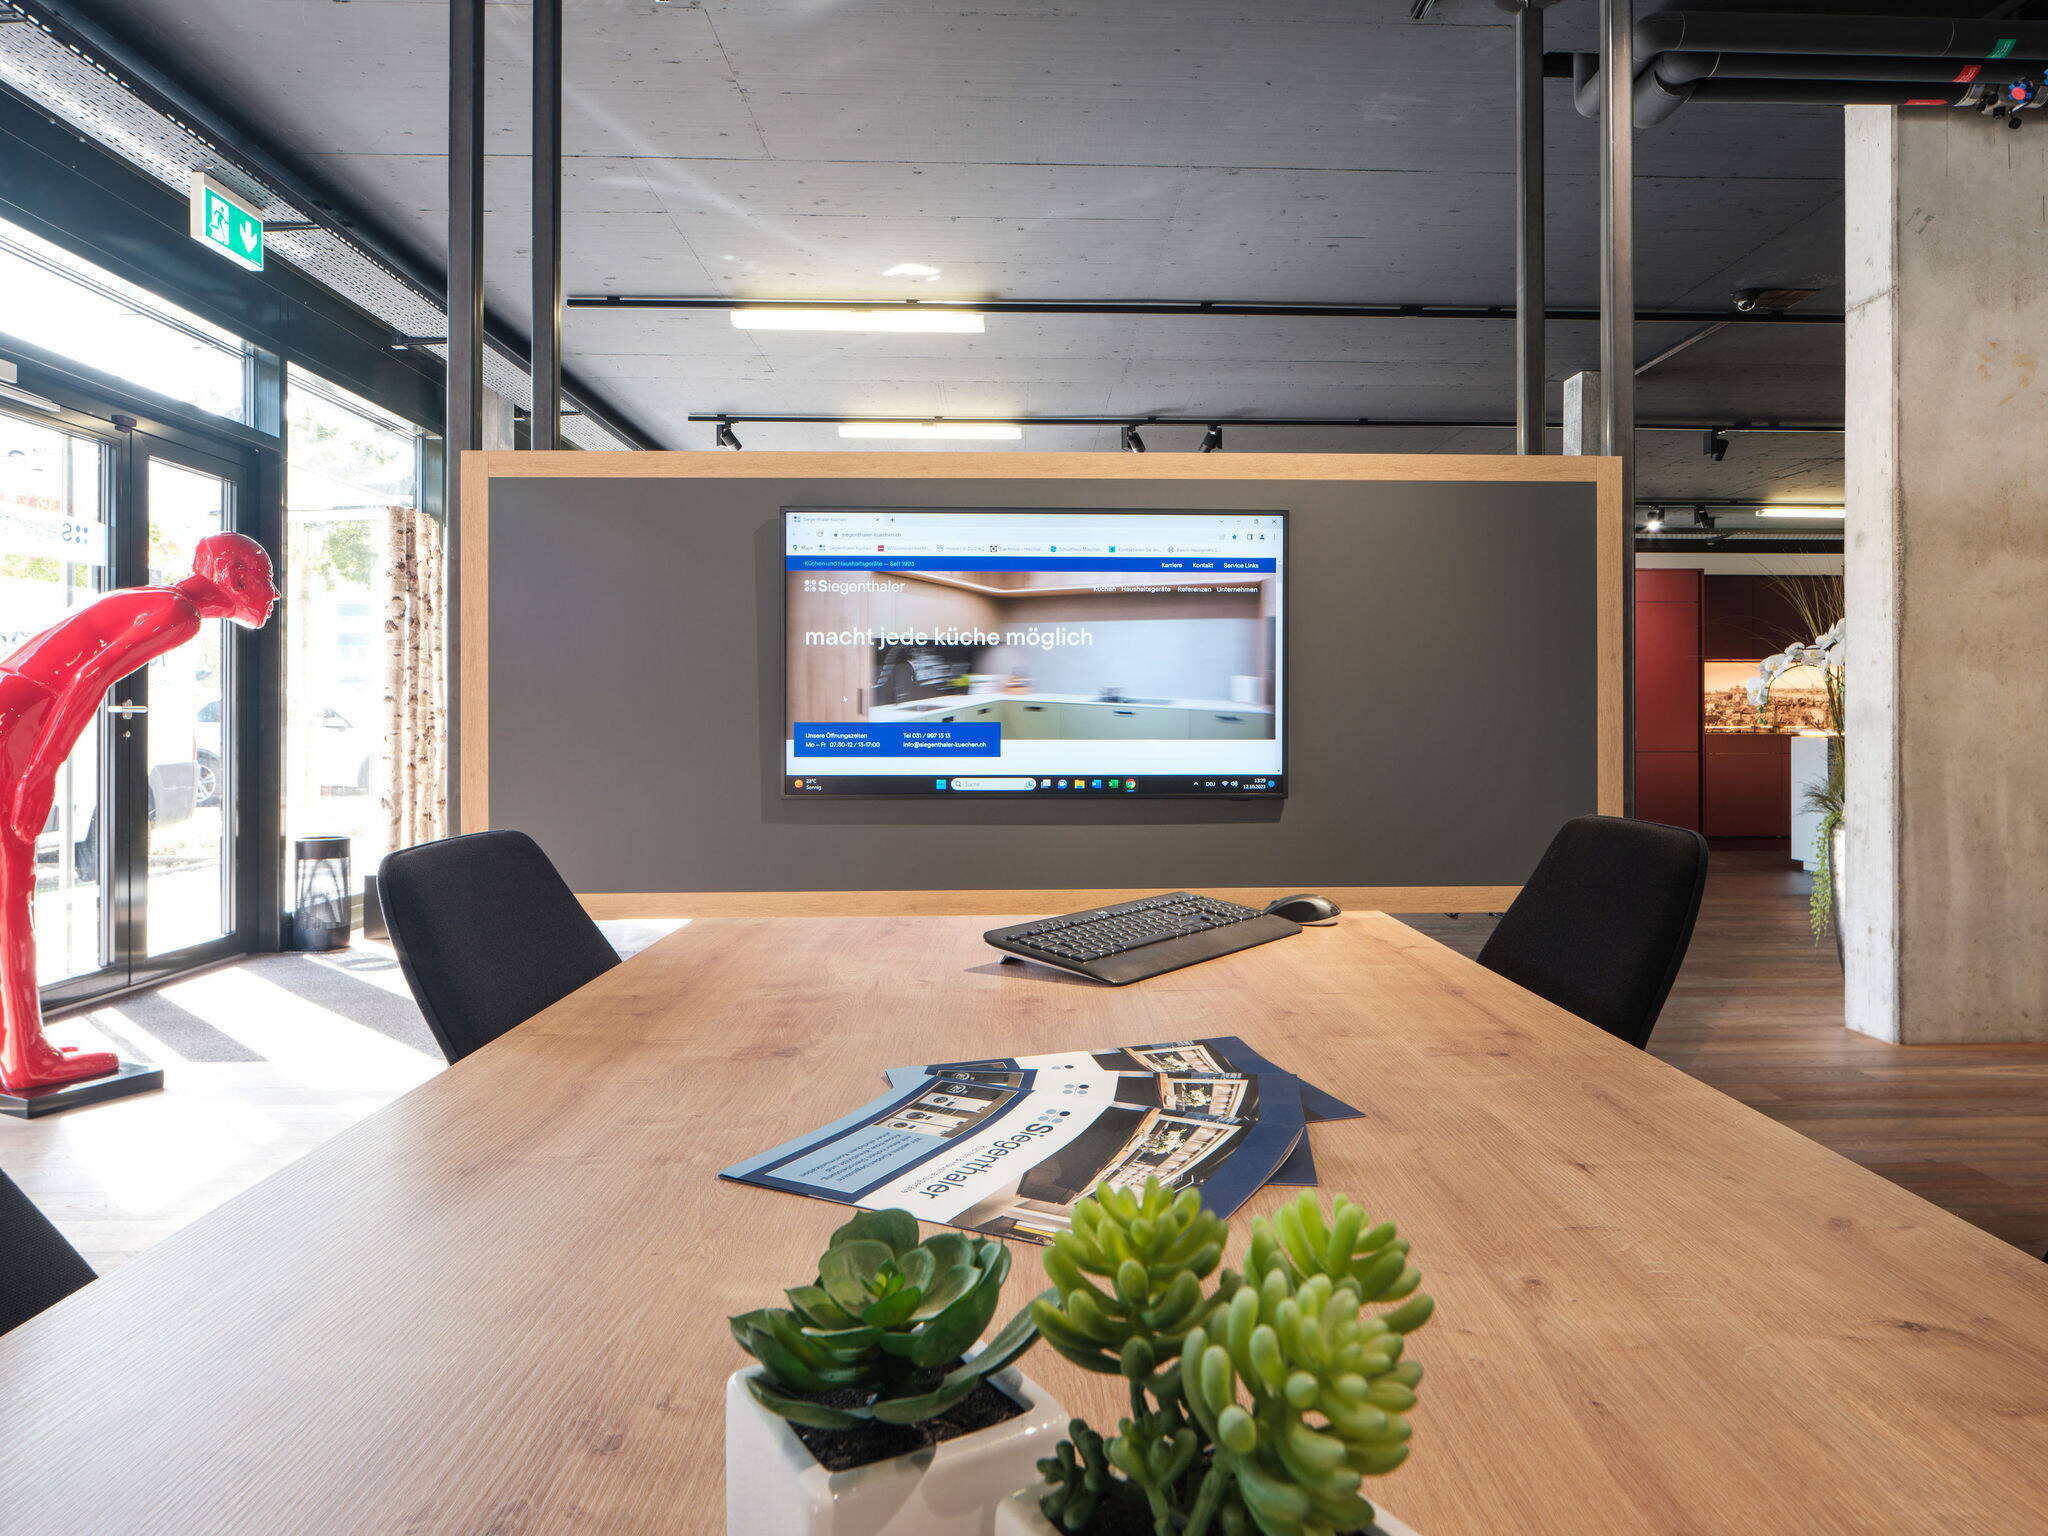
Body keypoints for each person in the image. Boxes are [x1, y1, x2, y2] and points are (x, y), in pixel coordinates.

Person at [0, 533, 277, 1094]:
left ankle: (18, 1044)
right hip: (18, 716)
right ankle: (26, 1056)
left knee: (9, 887)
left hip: (12, 702)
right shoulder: (178, 613)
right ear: (235, 576)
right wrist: (39, 774)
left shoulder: (149, 597)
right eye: (266, 576)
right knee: (13, 889)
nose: (273, 593)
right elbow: (87, 680)